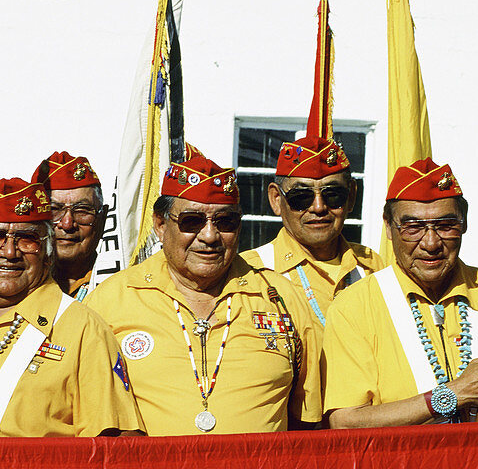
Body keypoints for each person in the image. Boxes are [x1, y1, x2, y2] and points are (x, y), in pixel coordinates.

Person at [86, 151, 321, 435]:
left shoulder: (279, 297)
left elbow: (310, 422)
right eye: (192, 221)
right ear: (160, 225)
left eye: (225, 222)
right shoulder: (112, 300)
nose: (209, 236)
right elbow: (91, 416)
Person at [323, 158, 478, 427]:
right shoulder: (355, 306)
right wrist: (453, 394)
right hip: (402, 467)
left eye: (446, 226)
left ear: (464, 223)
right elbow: (345, 423)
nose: (431, 243)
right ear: (388, 228)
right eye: (413, 228)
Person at [0, 177, 143, 438]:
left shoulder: (82, 329)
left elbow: (115, 449)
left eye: (27, 240)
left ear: (47, 252)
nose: (9, 252)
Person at [239, 135, 383, 327]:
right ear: (276, 199)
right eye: (301, 196)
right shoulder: (249, 271)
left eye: (332, 195)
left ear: (351, 197)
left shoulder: (372, 267)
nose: (318, 207)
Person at [33, 151, 108, 300]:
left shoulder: (118, 284)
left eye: (82, 211)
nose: (67, 224)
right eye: (53, 210)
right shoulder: (13, 286)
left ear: (103, 217)